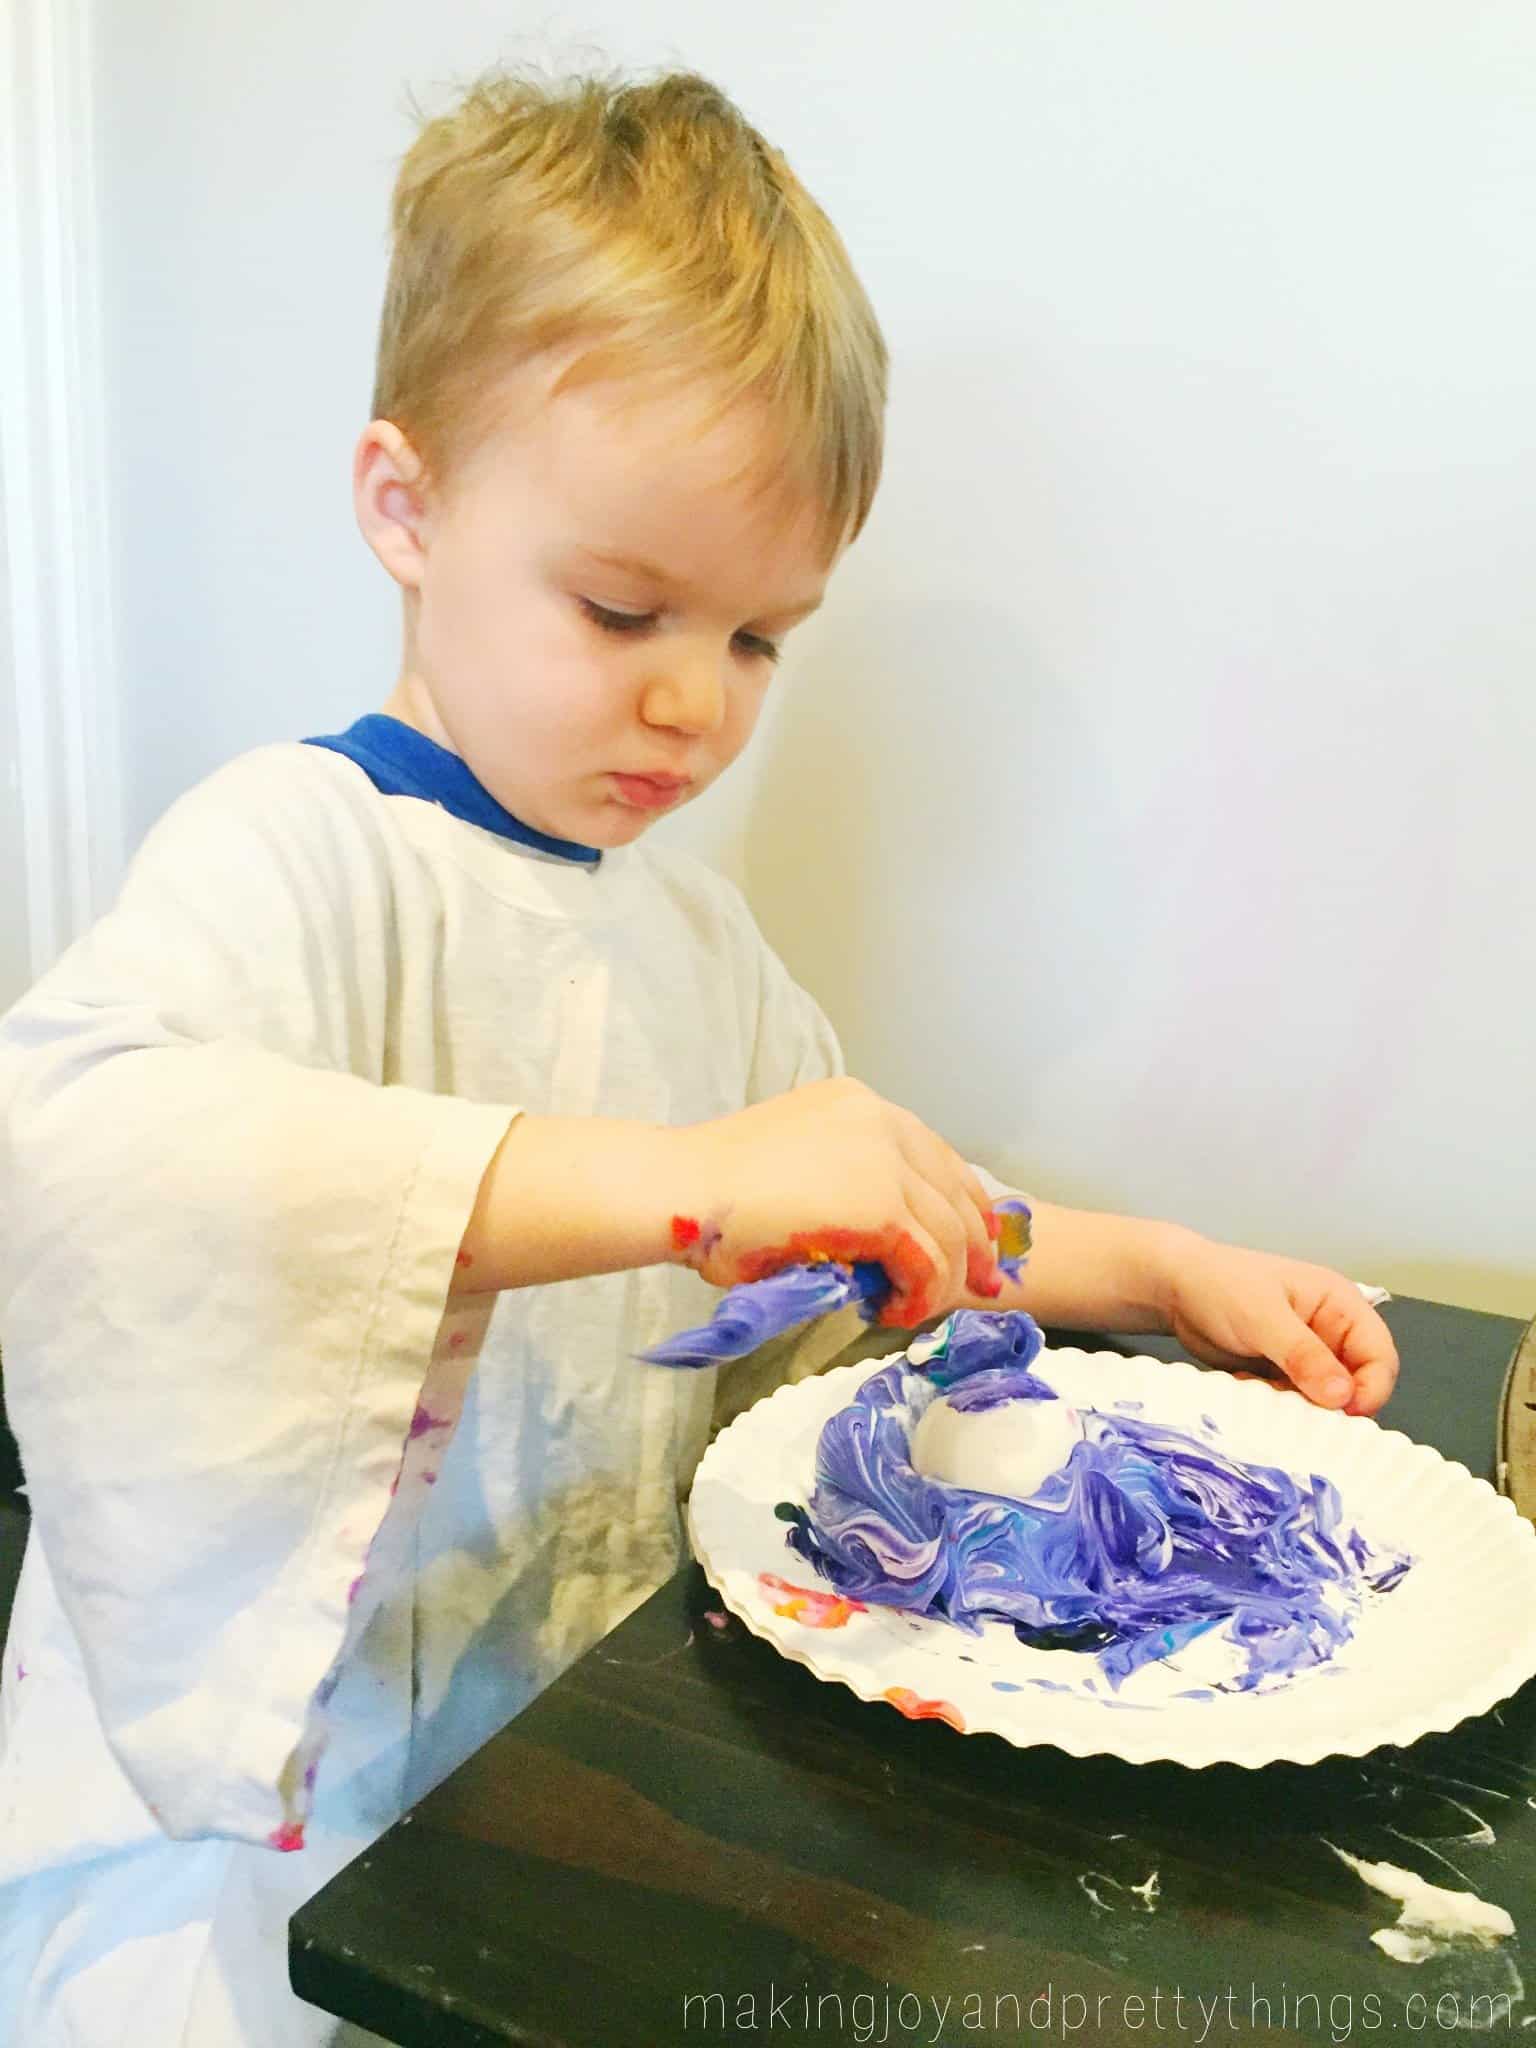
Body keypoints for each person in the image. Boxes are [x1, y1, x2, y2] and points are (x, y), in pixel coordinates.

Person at [0, 66, 1398, 2045]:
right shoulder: (297, 853)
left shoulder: (689, 938)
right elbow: (80, 1149)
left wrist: (1159, 1265)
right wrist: (681, 1181)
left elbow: (888, 1219)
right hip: (249, 1847)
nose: (693, 701)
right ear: (405, 506)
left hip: (550, 1791)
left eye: (758, 640)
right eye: (625, 605)